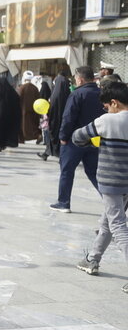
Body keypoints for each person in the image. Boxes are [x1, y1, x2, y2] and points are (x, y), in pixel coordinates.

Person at [73, 81, 128, 286]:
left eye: (106, 106)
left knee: (118, 225)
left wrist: (89, 141)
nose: (106, 110)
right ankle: (92, 259)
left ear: (114, 103)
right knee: (107, 222)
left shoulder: (107, 121)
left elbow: (77, 137)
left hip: (112, 181)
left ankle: (93, 259)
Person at [50, 66, 105, 213]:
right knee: (93, 172)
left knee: (67, 171)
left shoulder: (77, 94)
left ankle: (63, 202)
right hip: (94, 138)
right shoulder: (101, 94)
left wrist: (63, 136)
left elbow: (68, 117)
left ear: (80, 79)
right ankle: (110, 200)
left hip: (74, 140)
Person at [41, 66, 72, 159]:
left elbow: (51, 107)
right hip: (64, 120)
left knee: (53, 135)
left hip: (55, 120)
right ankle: (47, 153)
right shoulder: (68, 94)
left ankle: (51, 154)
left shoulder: (54, 96)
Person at [0, 72, 20, 152]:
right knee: (7, 128)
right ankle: (5, 143)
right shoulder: (11, 91)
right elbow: (17, 99)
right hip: (9, 112)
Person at [17, 71, 41, 143]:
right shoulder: (35, 88)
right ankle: (37, 135)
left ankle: (22, 138)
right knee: (33, 125)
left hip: (23, 110)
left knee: (22, 125)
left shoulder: (21, 88)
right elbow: (38, 99)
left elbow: (18, 99)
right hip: (34, 110)